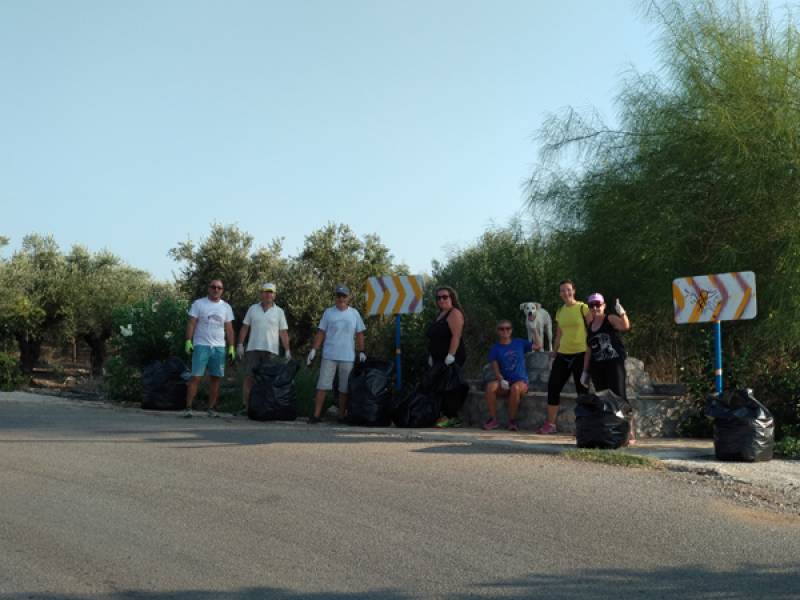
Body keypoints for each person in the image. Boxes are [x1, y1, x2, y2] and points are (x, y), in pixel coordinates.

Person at [306, 284, 367, 423]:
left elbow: (359, 333)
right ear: (335, 297)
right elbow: (321, 332)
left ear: (348, 298)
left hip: (347, 357)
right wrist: (314, 350)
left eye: (344, 296)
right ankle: (316, 415)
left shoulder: (354, 313)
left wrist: (362, 351)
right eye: (339, 296)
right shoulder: (328, 313)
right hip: (329, 355)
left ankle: (341, 416)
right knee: (322, 386)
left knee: (344, 389)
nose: (341, 298)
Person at [536, 279, 590, 434]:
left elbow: (593, 329)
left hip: (581, 355)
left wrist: (591, 351)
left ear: (574, 290)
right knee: (553, 387)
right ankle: (551, 424)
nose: (565, 293)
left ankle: (584, 427)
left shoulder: (583, 308)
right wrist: (554, 352)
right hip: (563, 354)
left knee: (582, 391)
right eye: (562, 290)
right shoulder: (560, 311)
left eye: (568, 289)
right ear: (560, 294)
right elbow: (559, 334)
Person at [581, 293, 634, 444]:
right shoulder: (590, 325)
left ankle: (629, 432)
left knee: (620, 397)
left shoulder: (609, 319)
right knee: (604, 399)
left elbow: (625, 326)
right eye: (592, 305)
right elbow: (589, 350)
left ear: (603, 305)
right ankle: (612, 431)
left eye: (598, 304)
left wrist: (622, 313)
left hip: (614, 364)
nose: (595, 308)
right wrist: (585, 371)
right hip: (597, 367)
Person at [183, 279, 235, 418]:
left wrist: (232, 347)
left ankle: (211, 409)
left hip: (219, 347)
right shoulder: (199, 304)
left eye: (219, 288)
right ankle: (188, 408)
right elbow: (191, 323)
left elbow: (229, 329)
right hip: (201, 345)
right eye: (213, 287)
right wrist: (188, 341)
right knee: (196, 377)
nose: (216, 289)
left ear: (222, 290)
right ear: (209, 288)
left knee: (215, 378)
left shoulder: (226, 307)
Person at [237, 282, 291, 414]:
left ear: (274, 295)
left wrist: (287, 350)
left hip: (271, 351)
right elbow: (245, 327)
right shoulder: (252, 309)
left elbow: (283, 332)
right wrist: (240, 344)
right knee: (249, 378)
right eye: (265, 292)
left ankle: (266, 408)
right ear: (261, 294)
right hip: (253, 349)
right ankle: (246, 407)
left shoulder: (279, 312)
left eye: (270, 292)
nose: (268, 295)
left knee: (268, 380)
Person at [426, 285, 467, 428]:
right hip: (438, 358)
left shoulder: (454, 313)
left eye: (445, 297)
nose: (441, 300)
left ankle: (452, 417)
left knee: (450, 387)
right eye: (439, 298)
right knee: (438, 386)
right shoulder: (440, 315)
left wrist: (451, 355)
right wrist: (431, 355)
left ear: (452, 298)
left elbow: (456, 336)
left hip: (451, 357)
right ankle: (442, 414)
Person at [483, 320, 532, 431]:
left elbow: (538, 345)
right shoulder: (495, 348)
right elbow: (495, 368)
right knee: (490, 387)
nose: (505, 331)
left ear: (511, 330)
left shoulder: (519, 342)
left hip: (521, 382)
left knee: (515, 388)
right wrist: (501, 379)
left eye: (507, 328)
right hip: (505, 382)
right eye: (502, 329)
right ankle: (493, 420)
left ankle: (512, 421)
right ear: (497, 331)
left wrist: (534, 327)